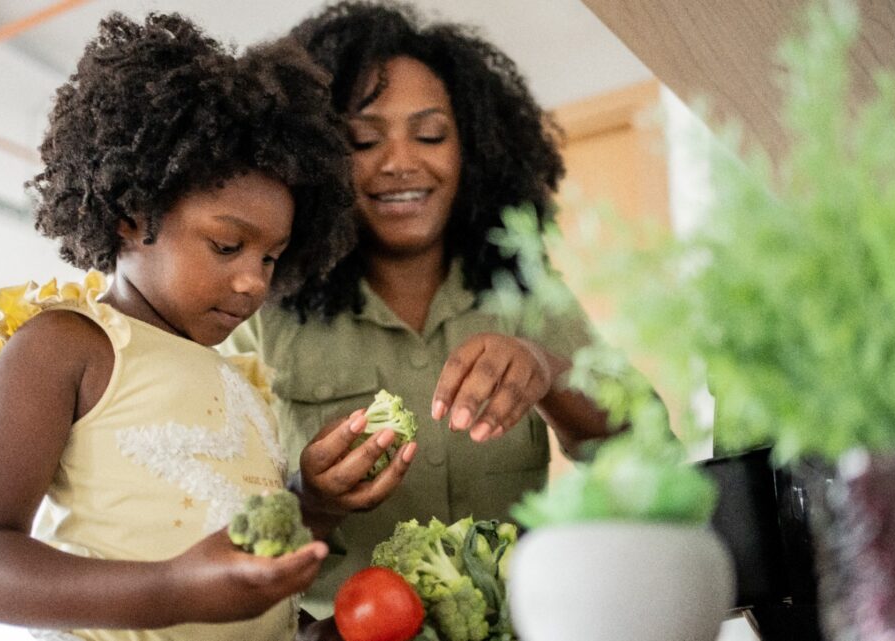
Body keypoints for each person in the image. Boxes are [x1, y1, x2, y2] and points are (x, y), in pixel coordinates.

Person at [0, 12, 415, 641]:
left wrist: (313, 505)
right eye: (226, 246)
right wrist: (169, 590)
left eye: (271, 257)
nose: (254, 282)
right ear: (133, 216)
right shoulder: (68, 345)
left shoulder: (243, 381)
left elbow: (245, 576)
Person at [220, 0, 630, 619]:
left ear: (475, 149)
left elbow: (642, 438)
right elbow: (216, 534)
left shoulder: (523, 287)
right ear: (316, 159)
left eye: (431, 134)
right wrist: (312, 501)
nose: (401, 163)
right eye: (363, 140)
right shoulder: (258, 307)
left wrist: (547, 370)